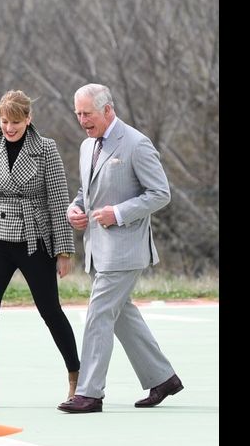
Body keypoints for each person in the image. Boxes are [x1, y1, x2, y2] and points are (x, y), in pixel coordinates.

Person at [57, 83, 183, 414]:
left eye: (88, 114)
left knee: (99, 314)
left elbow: (160, 193)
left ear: (108, 110)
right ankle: (163, 377)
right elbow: (88, 189)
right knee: (122, 315)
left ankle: (90, 393)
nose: (83, 120)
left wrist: (119, 213)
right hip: (99, 248)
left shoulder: (136, 144)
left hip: (126, 250)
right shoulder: (88, 146)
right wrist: (75, 208)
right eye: (79, 114)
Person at [0, 90, 79, 409]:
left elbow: (57, 199)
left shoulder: (46, 149)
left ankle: (77, 378)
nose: (9, 127)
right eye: (4, 121)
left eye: (15, 121)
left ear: (28, 119)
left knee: (50, 310)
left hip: (34, 238)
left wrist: (63, 250)